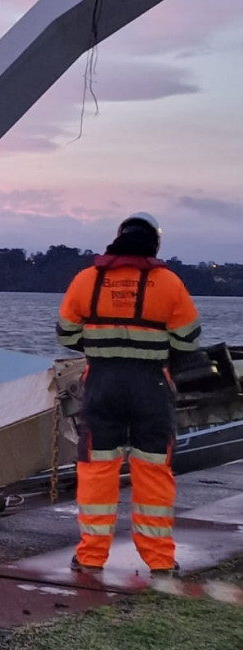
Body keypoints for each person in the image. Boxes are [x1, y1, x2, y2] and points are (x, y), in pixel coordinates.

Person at [57, 212, 201, 576]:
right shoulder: (168, 283)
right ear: (154, 241)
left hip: (101, 385)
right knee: (153, 471)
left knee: (95, 471)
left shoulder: (87, 279)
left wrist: (101, 342)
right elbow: (188, 339)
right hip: (149, 387)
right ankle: (160, 561)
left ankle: (90, 556)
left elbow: (66, 335)